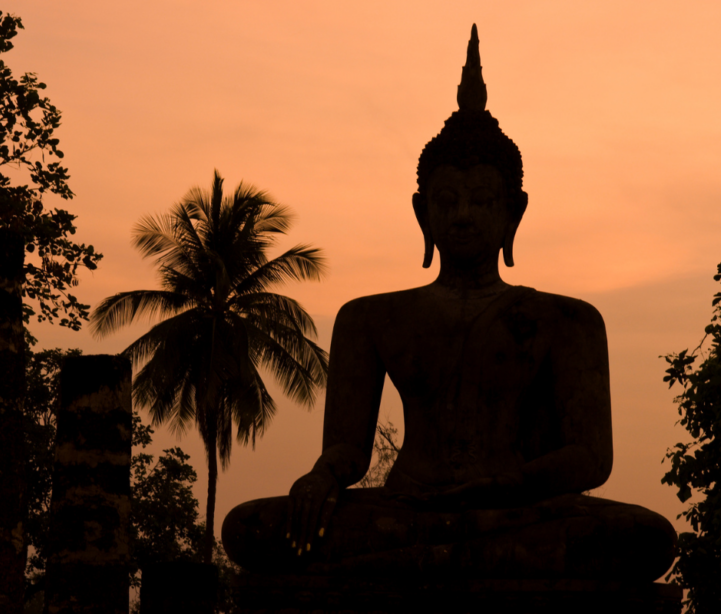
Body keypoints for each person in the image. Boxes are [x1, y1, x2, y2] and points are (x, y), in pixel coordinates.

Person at [222, 25, 676, 581]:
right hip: (406, 509)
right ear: (422, 213)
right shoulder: (371, 319)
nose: (463, 215)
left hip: (517, 512)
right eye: (447, 200)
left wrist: (511, 484)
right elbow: (349, 450)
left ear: (514, 212)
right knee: (250, 528)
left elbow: (590, 460)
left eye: (482, 200)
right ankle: (439, 553)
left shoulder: (567, 321)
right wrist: (321, 478)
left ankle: (429, 559)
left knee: (645, 537)